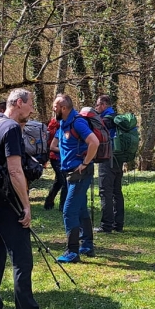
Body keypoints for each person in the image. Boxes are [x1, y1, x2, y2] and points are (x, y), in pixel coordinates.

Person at [0, 88, 61, 309]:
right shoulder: (11, 128)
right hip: (8, 202)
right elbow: (15, 170)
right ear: (17, 103)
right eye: (30, 104)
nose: (32, 109)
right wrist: (26, 205)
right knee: (22, 262)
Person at [54, 93, 98, 263]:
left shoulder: (77, 122)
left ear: (64, 108)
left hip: (80, 173)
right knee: (80, 209)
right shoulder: (63, 123)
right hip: (70, 172)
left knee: (69, 210)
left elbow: (94, 142)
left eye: (55, 107)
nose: (53, 109)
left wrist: (85, 163)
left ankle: (72, 251)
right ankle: (87, 245)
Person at [94, 94, 124, 234]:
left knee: (105, 191)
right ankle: (118, 224)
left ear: (104, 105)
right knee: (117, 192)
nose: (96, 107)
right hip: (119, 158)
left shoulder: (104, 120)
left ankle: (106, 225)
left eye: (98, 105)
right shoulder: (117, 118)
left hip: (107, 158)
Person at [42, 113, 66, 211]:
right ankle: (63, 206)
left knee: (59, 182)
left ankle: (49, 203)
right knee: (63, 182)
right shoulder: (58, 126)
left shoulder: (53, 124)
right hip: (56, 157)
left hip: (58, 157)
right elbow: (52, 145)